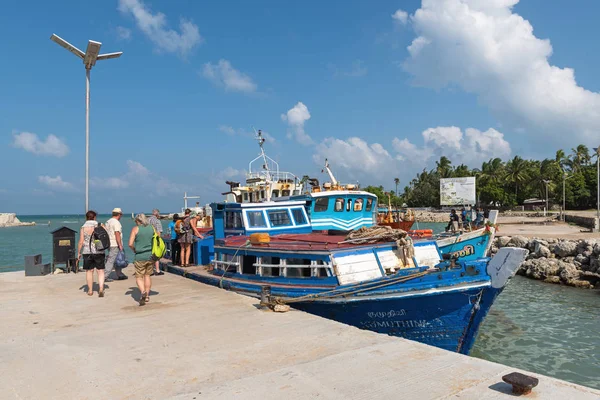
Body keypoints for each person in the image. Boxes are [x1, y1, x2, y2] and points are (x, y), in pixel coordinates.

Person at [77, 210, 106, 297]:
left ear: (86, 217)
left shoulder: (83, 227)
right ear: (94, 217)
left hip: (87, 251)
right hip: (99, 250)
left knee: (89, 271)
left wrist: (78, 252)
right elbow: (105, 236)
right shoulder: (100, 225)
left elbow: (81, 241)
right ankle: (101, 289)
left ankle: (90, 290)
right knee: (100, 271)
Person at [129, 213, 154, 306]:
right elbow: (157, 237)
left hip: (140, 256)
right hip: (150, 255)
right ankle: (147, 296)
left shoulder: (135, 229)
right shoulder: (152, 228)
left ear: (139, 221)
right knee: (147, 275)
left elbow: (130, 244)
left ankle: (143, 291)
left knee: (139, 276)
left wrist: (134, 250)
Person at [104, 208, 127, 281]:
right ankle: (104, 276)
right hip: (115, 244)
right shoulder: (116, 222)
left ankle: (119, 274)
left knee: (117, 260)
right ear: (119, 214)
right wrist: (120, 245)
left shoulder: (108, 221)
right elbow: (117, 234)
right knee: (111, 260)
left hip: (109, 243)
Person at [148, 208, 164, 275]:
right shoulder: (157, 221)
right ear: (157, 214)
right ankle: (157, 270)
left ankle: (150, 270)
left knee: (149, 255)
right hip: (155, 239)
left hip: (147, 239)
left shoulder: (147, 220)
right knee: (156, 254)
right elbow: (159, 232)